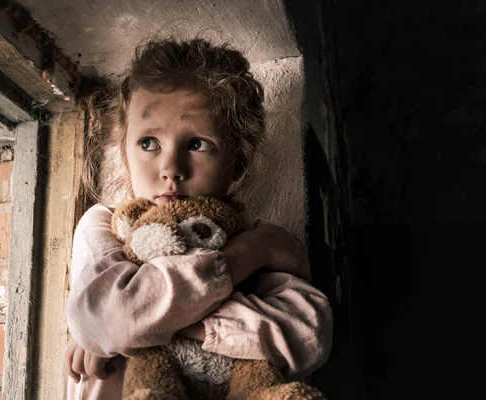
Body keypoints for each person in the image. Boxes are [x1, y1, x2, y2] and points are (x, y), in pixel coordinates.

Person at [64, 37, 333, 399]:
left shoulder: (257, 234)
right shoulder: (104, 226)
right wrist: (242, 258)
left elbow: (309, 334)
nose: (171, 168)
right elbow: (109, 320)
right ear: (125, 152)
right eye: (148, 143)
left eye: (197, 144)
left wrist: (146, 325)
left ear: (237, 162)